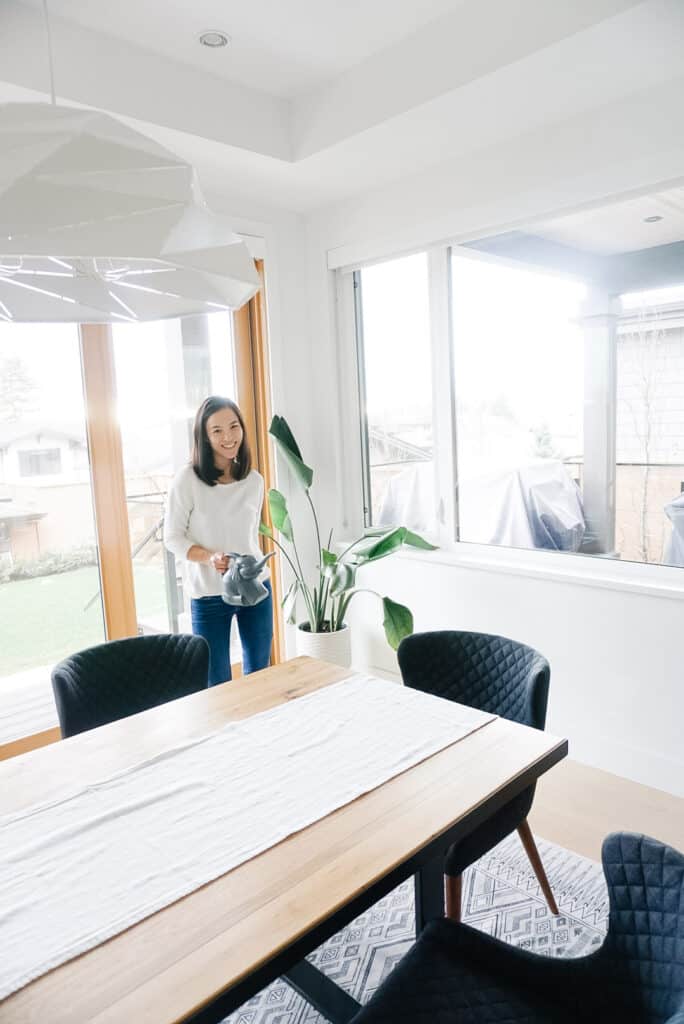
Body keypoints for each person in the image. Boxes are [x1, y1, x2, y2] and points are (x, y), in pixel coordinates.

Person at [164, 395, 273, 686]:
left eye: (234, 426)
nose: (228, 437)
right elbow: (172, 537)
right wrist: (210, 557)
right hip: (209, 595)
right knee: (217, 684)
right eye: (217, 430)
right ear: (204, 436)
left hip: (255, 588)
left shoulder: (254, 481)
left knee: (259, 676)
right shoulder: (188, 480)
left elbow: (248, 536)